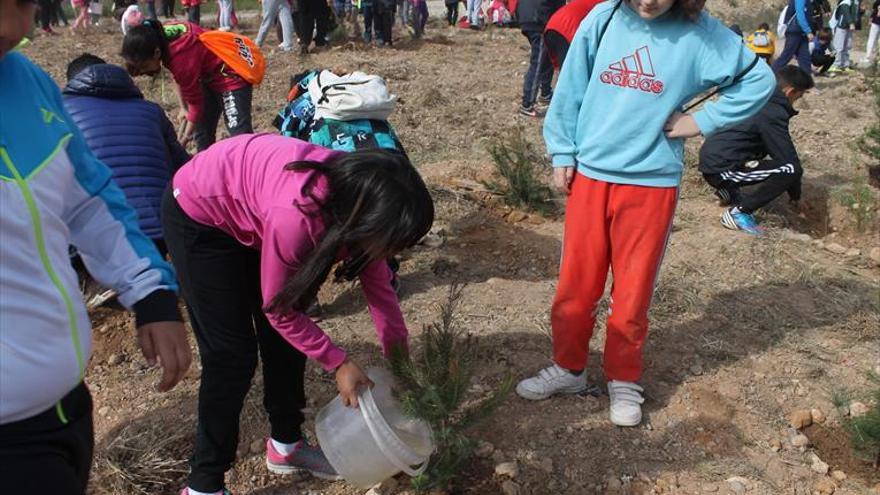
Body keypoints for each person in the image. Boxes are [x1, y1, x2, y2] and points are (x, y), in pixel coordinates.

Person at [518, 0, 775, 427]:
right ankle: (570, 368)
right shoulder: (603, 19)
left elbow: (757, 79)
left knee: (633, 291)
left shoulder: (700, 32)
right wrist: (562, 149)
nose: (648, 2)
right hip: (591, 176)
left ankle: (623, 377)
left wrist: (701, 120)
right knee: (576, 285)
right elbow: (570, 89)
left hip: (651, 182)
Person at [162, 133, 433, 495]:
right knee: (232, 356)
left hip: (257, 211)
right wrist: (338, 363)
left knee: (288, 335)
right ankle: (203, 484)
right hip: (202, 213)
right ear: (367, 222)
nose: (393, 250)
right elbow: (278, 310)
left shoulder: (360, 210)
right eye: (393, 241)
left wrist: (400, 367)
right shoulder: (299, 218)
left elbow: (382, 296)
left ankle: (286, 445)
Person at [0, 1, 192, 493]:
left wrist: (151, 292)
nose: (15, 28)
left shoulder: (28, 81)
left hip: (65, 407)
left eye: (24, 4)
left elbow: (89, 199)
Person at [62, 53, 191, 256]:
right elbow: (184, 168)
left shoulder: (61, 114)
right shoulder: (151, 111)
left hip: (91, 242)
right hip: (158, 235)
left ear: (72, 82)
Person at [699, 66, 813, 235]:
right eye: (799, 96)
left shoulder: (756, 97)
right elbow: (789, 160)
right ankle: (739, 213)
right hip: (722, 167)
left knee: (771, 158)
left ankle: (727, 191)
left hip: (713, 160)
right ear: (790, 91)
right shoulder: (773, 113)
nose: (796, 101)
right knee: (791, 169)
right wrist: (795, 197)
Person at [122, 20, 254, 151]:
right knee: (202, 133)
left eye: (145, 66)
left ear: (156, 53)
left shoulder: (181, 57)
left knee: (240, 135)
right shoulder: (161, 33)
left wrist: (184, 139)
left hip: (230, 73)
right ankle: (206, 167)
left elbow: (195, 105)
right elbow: (177, 75)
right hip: (207, 75)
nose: (144, 71)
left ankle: (250, 165)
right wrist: (183, 108)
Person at [516, 0, 564, 116]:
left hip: (527, 17)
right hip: (538, 20)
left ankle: (546, 93)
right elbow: (560, 8)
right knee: (538, 62)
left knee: (547, 57)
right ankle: (527, 103)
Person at [544, 0, 603, 71]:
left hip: (553, 25)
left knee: (565, 70)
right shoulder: (608, 5)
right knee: (571, 72)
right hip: (568, 28)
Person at [773, 0, 815, 75]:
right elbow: (800, 15)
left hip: (800, 33)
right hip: (795, 32)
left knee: (805, 58)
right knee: (786, 56)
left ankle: (807, 83)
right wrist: (808, 31)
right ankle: (770, 74)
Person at [828, 0, 860, 73]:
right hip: (842, 26)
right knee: (839, 46)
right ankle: (835, 64)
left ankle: (845, 64)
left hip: (849, 27)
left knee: (847, 46)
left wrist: (861, 11)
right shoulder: (846, 2)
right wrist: (851, 23)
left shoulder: (856, 2)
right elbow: (846, 13)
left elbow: (855, 14)